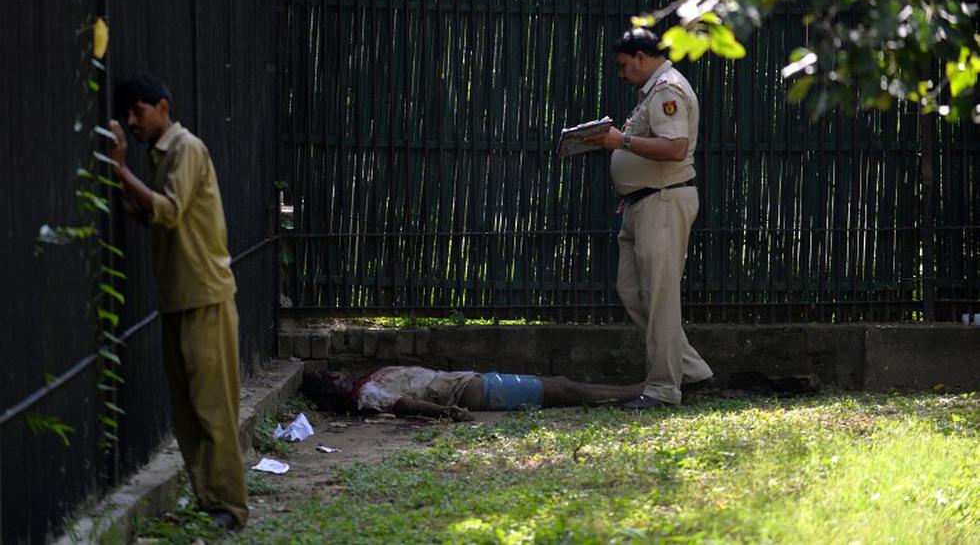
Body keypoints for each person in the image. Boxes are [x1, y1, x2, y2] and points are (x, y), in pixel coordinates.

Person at [107, 72, 248, 530]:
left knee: (213, 407)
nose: (132, 122)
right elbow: (166, 219)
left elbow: (168, 211)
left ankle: (230, 506)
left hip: (205, 298)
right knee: (187, 412)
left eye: (139, 112)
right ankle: (210, 501)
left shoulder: (185, 149)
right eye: (127, 115)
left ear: (163, 108)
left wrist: (121, 171)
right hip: (179, 299)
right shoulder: (162, 155)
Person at [582, 27, 714, 409]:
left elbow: (675, 149)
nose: (622, 74)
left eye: (624, 66)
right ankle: (691, 370)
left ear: (642, 57)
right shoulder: (653, 91)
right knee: (632, 291)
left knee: (659, 298)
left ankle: (662, 389)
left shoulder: (668, 89)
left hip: (663, 203)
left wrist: (619, 141)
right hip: (641, 204)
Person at [303, 366, 647, 420]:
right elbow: (405, 404)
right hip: (472, 391)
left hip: (472, 383)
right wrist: (445, 413)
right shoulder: (365, 394)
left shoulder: (368, 381)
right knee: (565, 389)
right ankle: (643, 392)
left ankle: (642, 390)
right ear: (334, 383)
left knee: (561, 385)